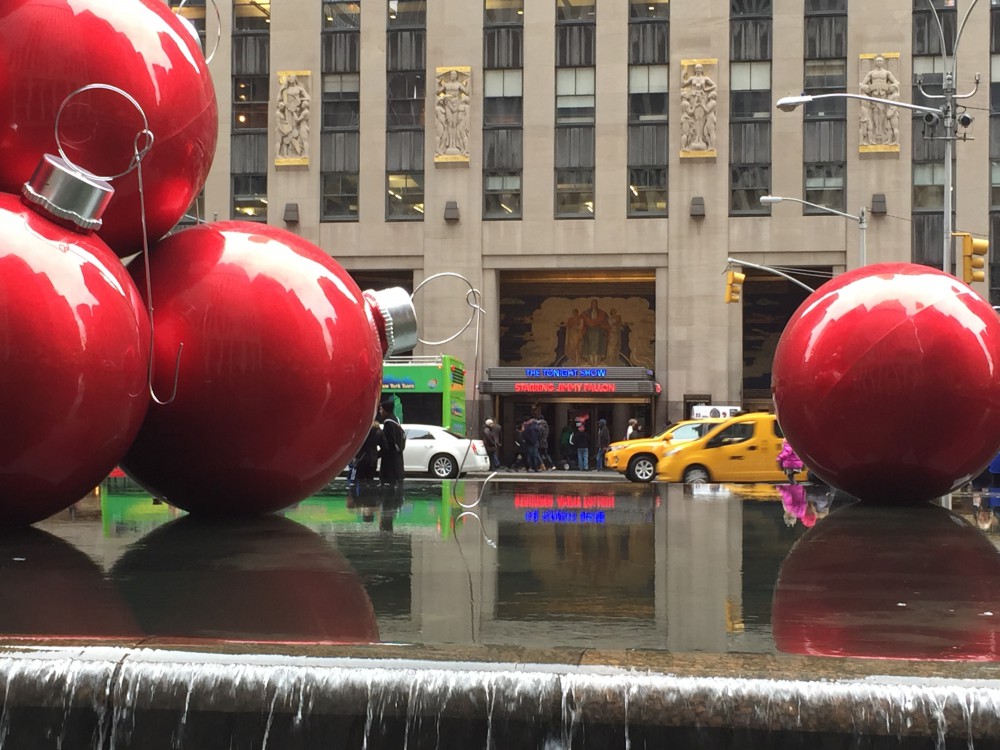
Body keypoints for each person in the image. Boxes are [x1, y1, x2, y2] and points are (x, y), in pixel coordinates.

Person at [378, 398, 406, 485]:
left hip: (390, 459)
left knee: (390, 483)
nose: (380, 411)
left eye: (381, 409)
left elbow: (389, 442)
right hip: (397, 457)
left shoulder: (388, 423)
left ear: (386, 410)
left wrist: (378, 454)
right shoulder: (395, 419)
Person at [348, 419, 381, 486]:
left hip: (361, 458)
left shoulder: (362, 431)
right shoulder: (378, 432)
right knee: (370, 479)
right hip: (373, 459)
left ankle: (358, 494)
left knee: (359, 479)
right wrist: (376, 455)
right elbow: (385, 446)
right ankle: (369, 494)